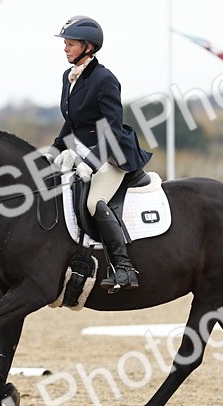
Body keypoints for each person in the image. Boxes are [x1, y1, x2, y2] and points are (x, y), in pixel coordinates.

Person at [47, 15, 153, 291]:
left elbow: (114, 129)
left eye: (70, 44)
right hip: (81, 149)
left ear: (88, 46)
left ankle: (124, 268)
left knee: (95, 202)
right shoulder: (67, 77)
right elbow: (71, 123)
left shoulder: (105, 79)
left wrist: (92, 163)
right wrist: (52, 152)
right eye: (66, 44)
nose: (65, 49)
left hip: (114, 153)